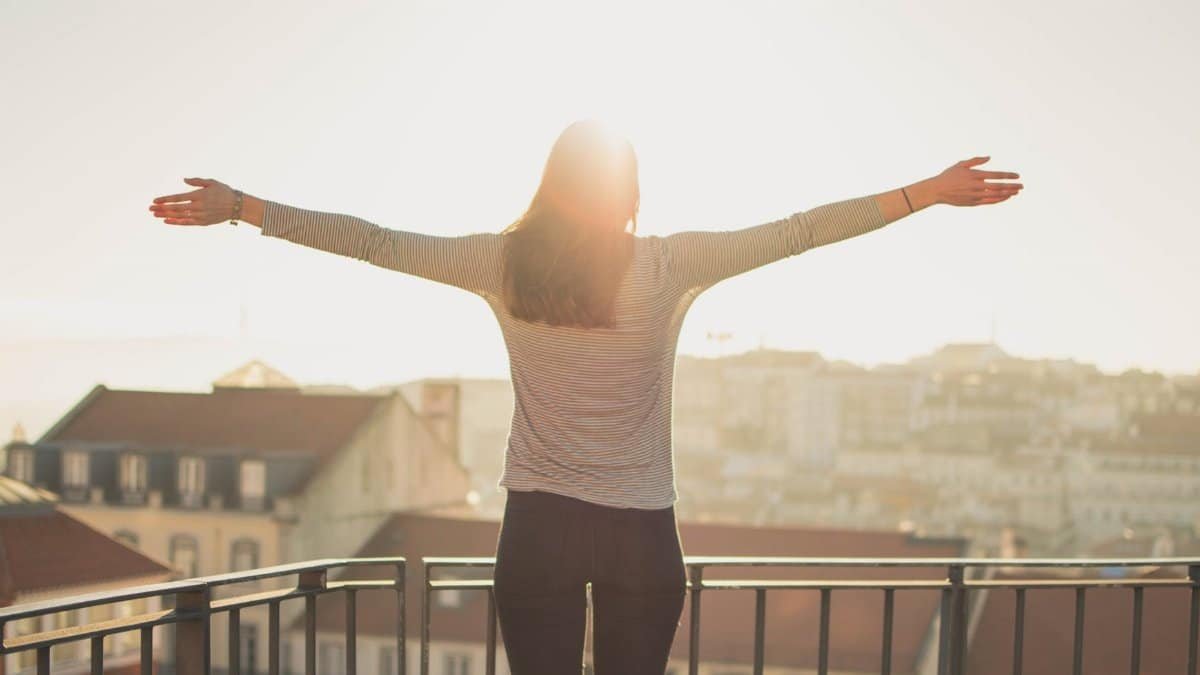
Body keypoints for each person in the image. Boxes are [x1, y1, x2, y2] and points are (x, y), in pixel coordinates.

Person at [149, 120, 1021, 674]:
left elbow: (375, 243)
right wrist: (926, 195)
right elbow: (798, 233)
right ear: (630, 193)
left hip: (539, 528)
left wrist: (244, 207)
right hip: (642, 531)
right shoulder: (670, 264)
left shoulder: (501, 262)